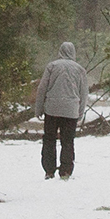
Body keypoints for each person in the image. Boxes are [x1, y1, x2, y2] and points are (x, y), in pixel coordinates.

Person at [32, 42, 89, 180]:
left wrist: (39, 108)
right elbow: (83, 93)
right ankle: (65, 171)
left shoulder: (52, 66)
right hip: (71, 110)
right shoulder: (80, 70)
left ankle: (49, 170)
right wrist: (80, 113)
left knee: (49, 139)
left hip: (52, 109)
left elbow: (42, 88)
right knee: (68, 141)